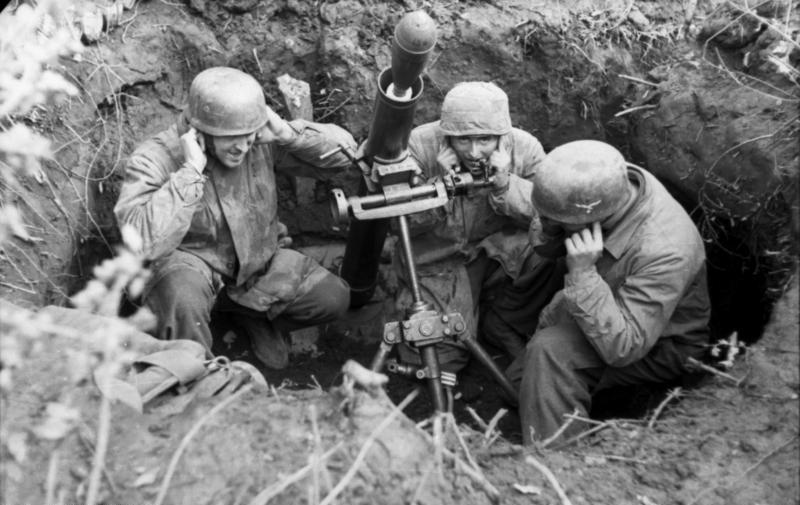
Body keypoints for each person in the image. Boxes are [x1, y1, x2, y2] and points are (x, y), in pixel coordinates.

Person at [115, 67, 356, 370]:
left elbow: (346, 157)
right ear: (198, 131)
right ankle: (194, 375)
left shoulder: (258, 142)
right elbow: (141, 244)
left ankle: (252, 314)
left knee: (333, 297)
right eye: (230, 138)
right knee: (183, 298)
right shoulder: (154, 159)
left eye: (248, 135)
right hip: (193, 274)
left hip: (257, 271)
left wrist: (287, 134)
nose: (242, 146)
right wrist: (190, 172)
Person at [499, 139, 710, 444]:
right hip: (605, 306)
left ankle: (556, 461)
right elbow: (547, 246)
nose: (551, 224)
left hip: (659, 344)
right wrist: (552, 226)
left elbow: (625, 347)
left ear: (594, 218)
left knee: (550, 353)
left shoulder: (665, 248)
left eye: (560, 221)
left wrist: (582, 273)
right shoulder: (605, 186)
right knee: (518, 386)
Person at [393, 81, 546, 372]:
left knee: (552, 253)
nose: (474, 152)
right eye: (463, 141)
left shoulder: (525, 148)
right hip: (437, 261)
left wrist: (505, 184)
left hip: (498, 256)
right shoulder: (419, 146)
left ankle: (502, 319)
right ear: (447, 135)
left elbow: (550, 217)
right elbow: (399, 226)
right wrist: (439, 186)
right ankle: (470, 313)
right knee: (438, 364)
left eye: (484, 140)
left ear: (502, 136)